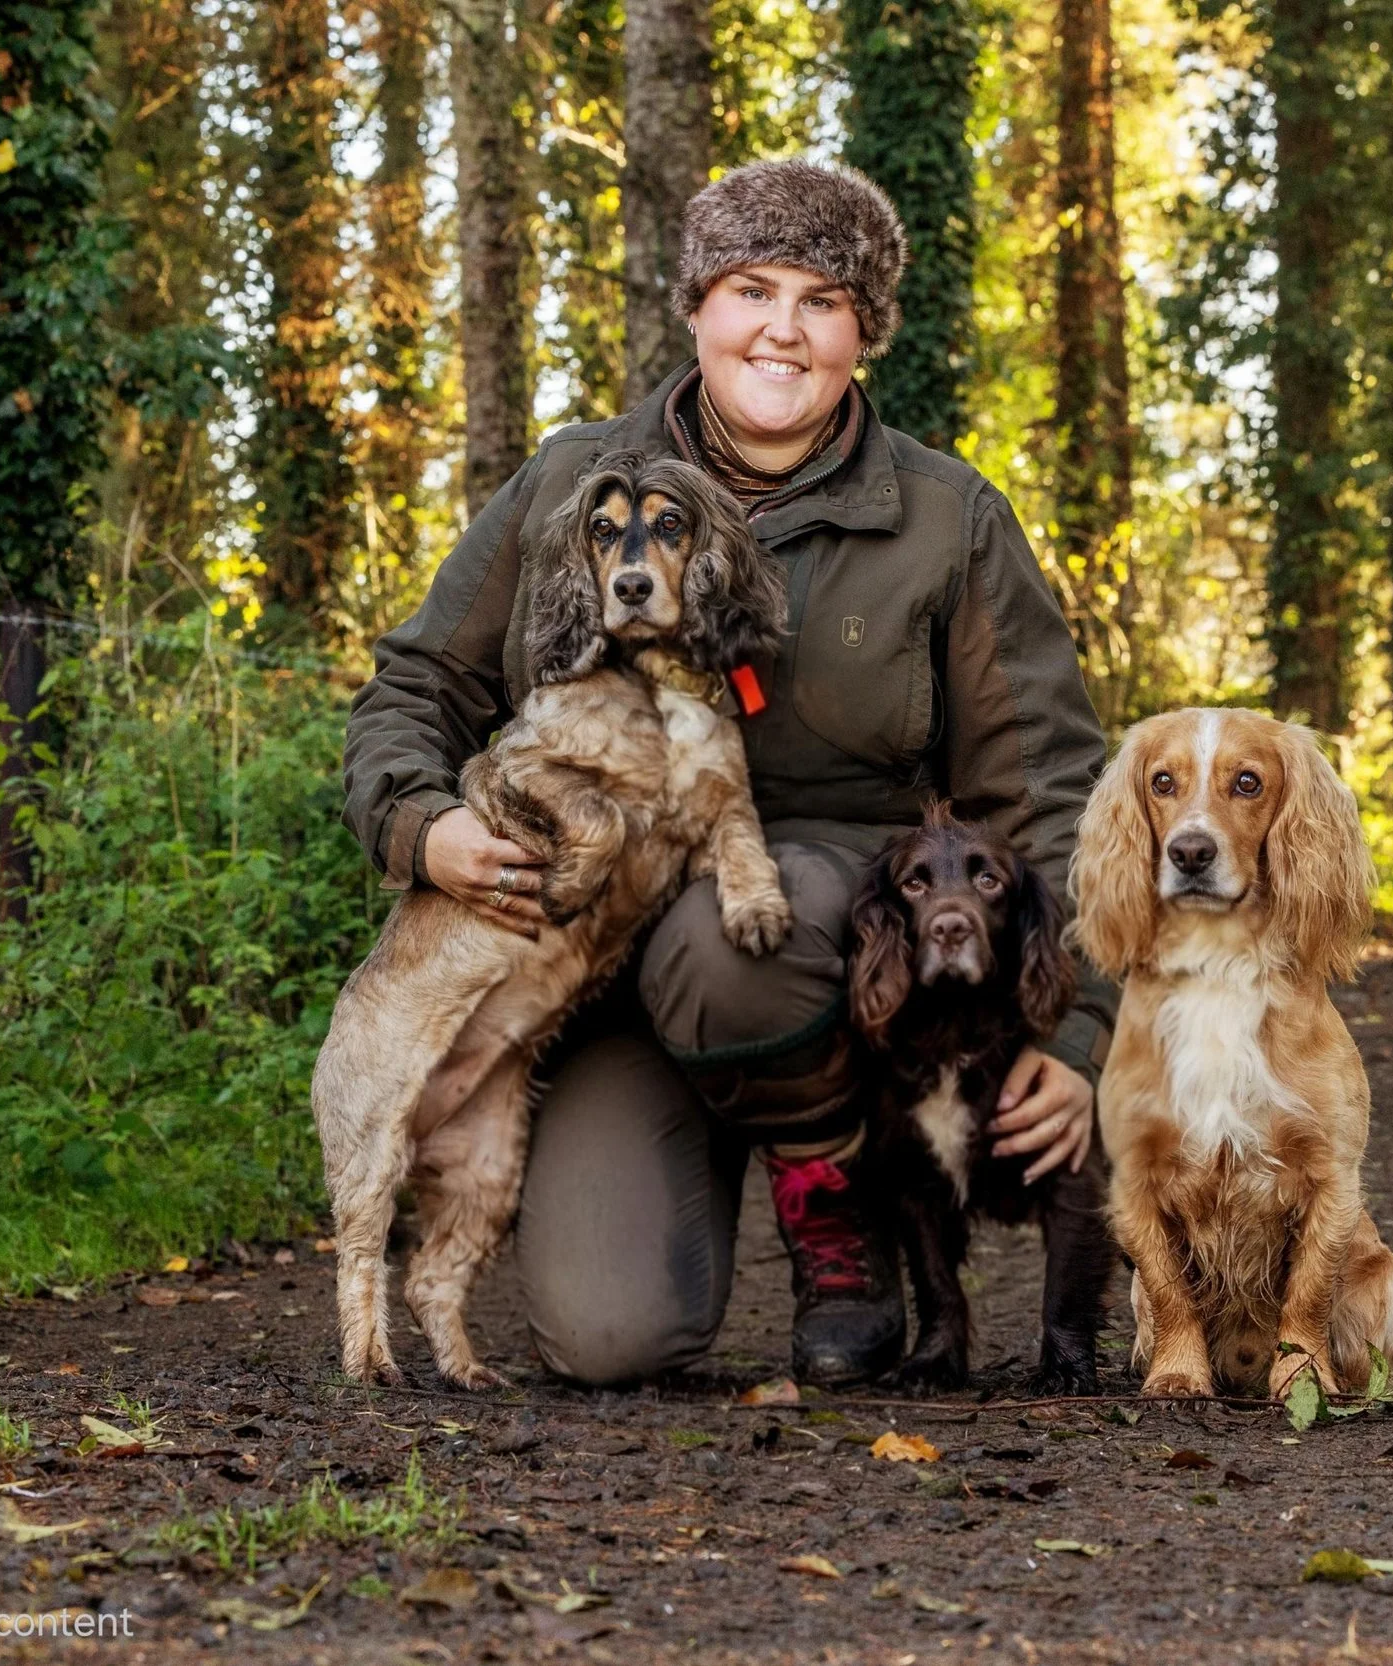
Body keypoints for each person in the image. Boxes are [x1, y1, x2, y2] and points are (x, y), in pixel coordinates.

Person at [340, 160, 1116, 1387]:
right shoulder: (571, 482)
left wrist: (1074, 1034)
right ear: (696, 305)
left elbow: (1056, 791)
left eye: (824, 299)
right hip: (594, 966)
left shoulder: (944, 519)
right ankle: (697, 1174)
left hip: (845, 968)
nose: (784, 328)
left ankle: (835, 1208)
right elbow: (414, 686)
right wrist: (422, 826)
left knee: (737, 929)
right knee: (606, 1340)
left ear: (865, 331)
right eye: (752, 289)